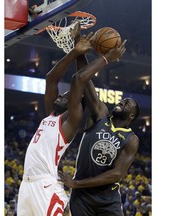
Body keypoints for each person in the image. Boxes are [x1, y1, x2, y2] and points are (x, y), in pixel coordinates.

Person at [16, 25, 126, 215]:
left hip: (46, 187)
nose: (60, 96)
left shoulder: (69, 123)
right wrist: (74, 52)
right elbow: (51, 79)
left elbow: (79, 79)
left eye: (66, 96)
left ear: (73, 105)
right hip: (26, 186)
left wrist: (106, 58)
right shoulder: (50, 114)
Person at [58, 47, 140, 215]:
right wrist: (80, 49)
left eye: (127, 104)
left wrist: (77, 183)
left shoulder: (131, 139)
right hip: (82, 198)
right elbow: (85, 80)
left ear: (131, 116)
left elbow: (116, 174)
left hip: (107, 200)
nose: (122, 102)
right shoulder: (100, 115)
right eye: (123, 100)